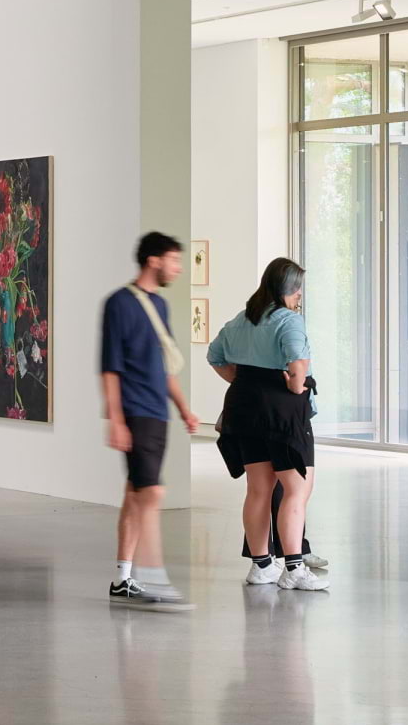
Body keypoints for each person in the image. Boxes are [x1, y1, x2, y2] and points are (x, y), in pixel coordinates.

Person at [206, 258, 328, 591]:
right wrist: (295, 385)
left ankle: (261, 566)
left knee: (259, 489)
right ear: (288, 288)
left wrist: (243, 380)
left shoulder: (241, 319)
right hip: (282, 411)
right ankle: (294, 568)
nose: (300, 294)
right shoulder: (289, 320)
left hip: (243, 408)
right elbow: (296, 368)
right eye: (298, 288)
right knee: (297, 489)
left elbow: (214, 356)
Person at [99, 232, 200, 612]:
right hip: (135, 411)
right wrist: (116, 419)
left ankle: (123, 580)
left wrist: (184, 408)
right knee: (151, 494)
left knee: (135, 493)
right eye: (174, 260)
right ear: (154, 260)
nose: (178, 268)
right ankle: (155, 581)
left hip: (158, 413)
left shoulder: (160, 305)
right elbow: (110, 367)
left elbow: (165, 365)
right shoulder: (119, 304)